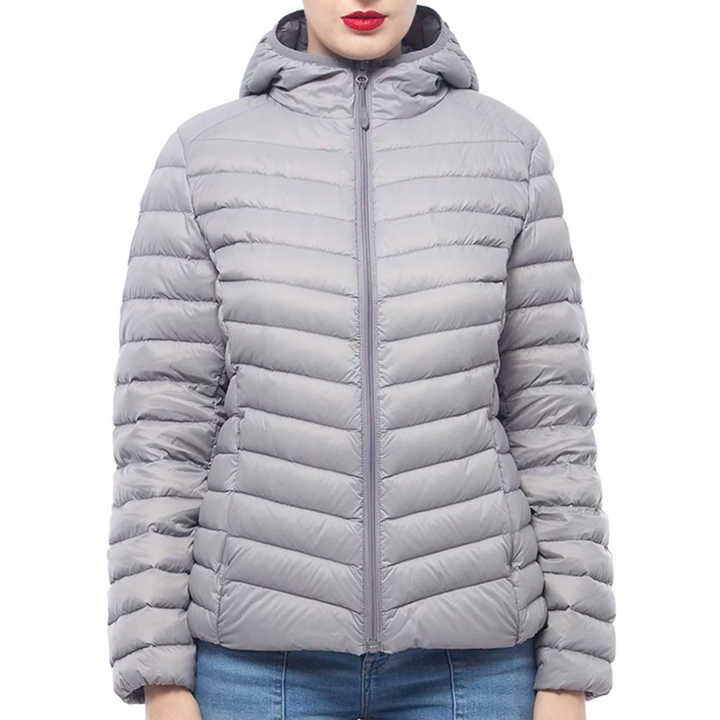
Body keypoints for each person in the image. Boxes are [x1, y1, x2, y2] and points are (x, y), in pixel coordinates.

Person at [108, 2, 616, 718]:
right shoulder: (203, 158)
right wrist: (159, 674)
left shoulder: (509, 152)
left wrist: (570, 672)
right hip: (256, 669)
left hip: (474, 667)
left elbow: (553, 426)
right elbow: (162, 433)